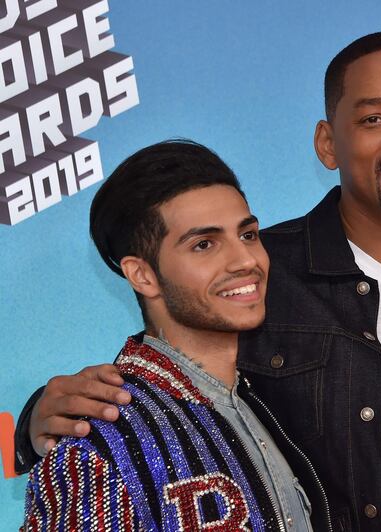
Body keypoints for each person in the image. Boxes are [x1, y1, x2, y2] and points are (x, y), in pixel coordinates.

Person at [15, 33, 381, 530]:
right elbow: (165, 392)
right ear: (327, 143)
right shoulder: (265, 278)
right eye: (374, 118)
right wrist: (40, 420)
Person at [22, 140, 316, 531]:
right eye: (204, 245)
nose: (246, 260)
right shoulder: (99, 443)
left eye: (247, 235)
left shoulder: (272, 395)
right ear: (142, 275)